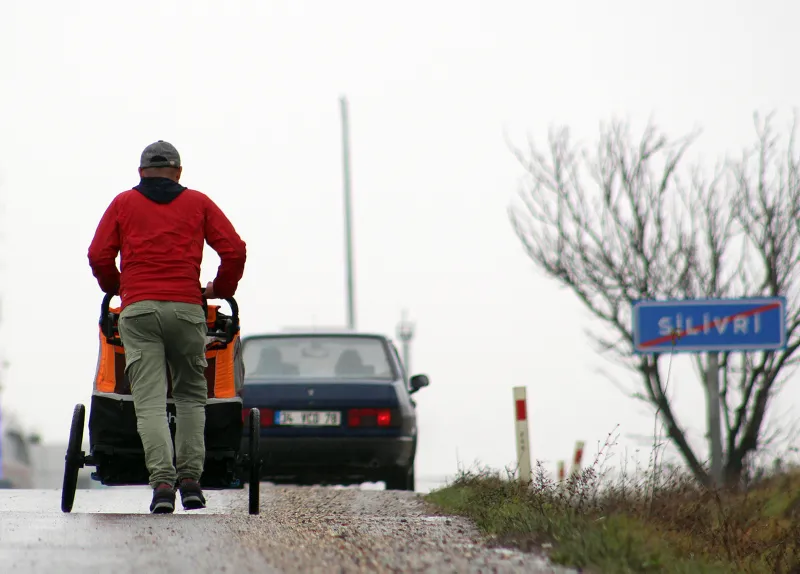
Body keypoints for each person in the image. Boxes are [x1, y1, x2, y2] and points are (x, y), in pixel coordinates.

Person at [87, 140, 247, 514]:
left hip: (139, 311)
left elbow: (98, 255)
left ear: (141, 172)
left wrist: (117, 286)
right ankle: (191, 480)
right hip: (188, 310)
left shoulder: (123, 204)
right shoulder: (199, 203)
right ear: (178, 172)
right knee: (192, 397)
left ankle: (161, 484)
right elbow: (234, 250)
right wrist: (220, 290)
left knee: (150, 402)